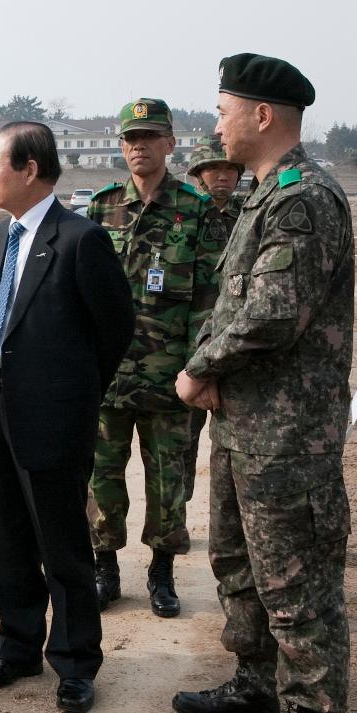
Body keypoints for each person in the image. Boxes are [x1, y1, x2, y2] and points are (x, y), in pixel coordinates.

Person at [172, 54, 354, 713]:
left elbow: (272, 312)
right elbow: (235, 301)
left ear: (263, 115)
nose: (216, 123)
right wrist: (214, 366)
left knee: (298, 578)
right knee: (240, 563)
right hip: (247, 425)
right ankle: (253, 682)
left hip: (289, 435)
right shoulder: (261, 195)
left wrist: (200, 365)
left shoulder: (304, 197)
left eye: (223, 109)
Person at [0, 122, 133, 713]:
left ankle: (77, 662)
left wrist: (72, 399)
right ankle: (18, 645)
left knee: (63, 551)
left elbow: (114, 332)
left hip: (54, 420)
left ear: (29, 169)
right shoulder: (0, 235)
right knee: (1, 541)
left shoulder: (80, 240)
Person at [85, 98, 222, 618]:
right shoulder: (100, 208)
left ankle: (162, 572)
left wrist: (198, 368)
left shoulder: (196, 208)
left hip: (171, 379)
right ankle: (105, 568)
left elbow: (208, 298)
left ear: (170, 144)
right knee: (101, 474)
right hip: (108, 378)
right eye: (130, 139)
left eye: (149, 137)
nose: (139, 146)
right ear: (122, 146)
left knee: (169, 480)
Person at [181, 135, 245, 504]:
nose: (221, 175)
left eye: (228, 168)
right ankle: (180, 515)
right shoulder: (185, 215)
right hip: (192, 345)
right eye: (212, 168)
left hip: (236, 342)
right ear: (198, 174)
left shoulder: (253, 214)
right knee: (183, 441)